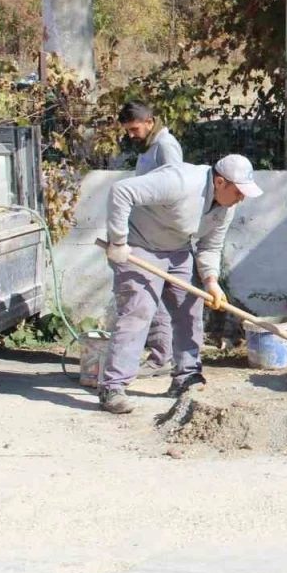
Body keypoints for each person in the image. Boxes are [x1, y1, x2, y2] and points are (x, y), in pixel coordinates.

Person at [99, 155, 262, 414]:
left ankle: (186, 376)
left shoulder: (226, 207)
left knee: (190, 311)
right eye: (239, 191)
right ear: (220, 182)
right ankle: (113, 387)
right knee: (139, 312)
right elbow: (121, 191)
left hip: (178, 250)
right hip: (138, 247)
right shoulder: (180, 182)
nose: (241, 198)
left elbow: (210, 246)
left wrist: (211, 281)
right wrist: (118, 241)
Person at [117, 101, 184, 378]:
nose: (131, 134)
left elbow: (175, 187)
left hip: (161, 238)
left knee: (157, 300)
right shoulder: (149, 147)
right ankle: (161, 356)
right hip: (145, 234)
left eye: (134, 129)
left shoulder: (166, 146)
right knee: (151, 299)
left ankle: (167, 360)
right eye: (128, 130)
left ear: (149, 121)